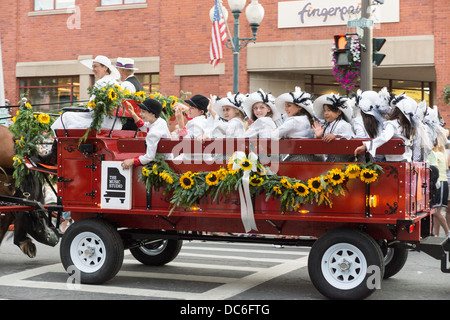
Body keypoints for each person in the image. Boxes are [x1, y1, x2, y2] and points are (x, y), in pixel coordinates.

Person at [35, 55, 121, 165]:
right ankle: (56, 153)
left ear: (105, 68)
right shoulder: (114, 83)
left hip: (100, 121)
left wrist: (81, 110)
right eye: (92, 67)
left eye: (96, 66)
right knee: (69, 116)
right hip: (112, 122)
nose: (93, 69)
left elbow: (92, 108)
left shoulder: (102, 82)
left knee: (65, 117)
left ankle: (54, 155)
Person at [354, 93, 416, 162]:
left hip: (394, 162)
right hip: (407, 160)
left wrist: (366, 146)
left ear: (396, 110)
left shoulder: (392, 124)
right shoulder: (406, 126)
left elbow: (384, 137)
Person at [273, 87, 322, 162]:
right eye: (285, 106)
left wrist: (275, 130)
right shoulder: (306, 118)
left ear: (299, 107)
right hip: (311, 158)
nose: (286, 109)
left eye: (289, 106)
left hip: (298, 158)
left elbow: (273, 135)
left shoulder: (294, 121)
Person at [121, 98, 171, 169]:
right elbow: (144, 126)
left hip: (163, 164)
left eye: (143, 112)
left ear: (153, 114)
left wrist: (131, 161)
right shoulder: (160, 121)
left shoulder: (153, 133)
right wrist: (133, 113)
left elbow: (149, 157)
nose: (140, 114)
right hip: (167, 159)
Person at [312, 93, 354, 162]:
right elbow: (321, 150)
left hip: (343, 163)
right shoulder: (327, 126)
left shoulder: (344, 125)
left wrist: (336, 136)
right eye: (325, 110)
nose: (325, 113)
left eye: (329, 110)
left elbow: (351, 138)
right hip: (329, 162)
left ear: (339, 112)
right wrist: (319, 137)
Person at [428, 141, 450, 238]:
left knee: (436, 212)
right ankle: (436, 234)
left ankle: (448, 232)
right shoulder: (441, 154)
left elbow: (434, 169)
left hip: (439, 183)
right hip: (441, 182)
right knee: (436, 212)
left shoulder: (436, 154)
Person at [116, 57, 145, 131]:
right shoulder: (137, 83)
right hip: (137, 121)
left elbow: (122, 105)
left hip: (129, 124)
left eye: (117, 69)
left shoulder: (126, 84)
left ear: (122, 70)